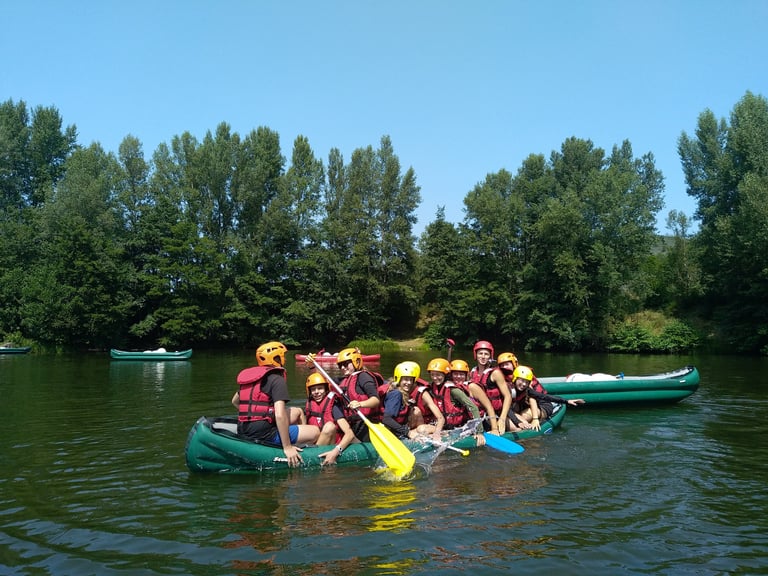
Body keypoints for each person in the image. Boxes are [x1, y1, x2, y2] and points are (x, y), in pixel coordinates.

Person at [231, 341, 319, 467]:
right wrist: (287, 447)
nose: (284, 359)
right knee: (315, 431)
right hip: (264, 433)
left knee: (298, 411)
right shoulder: (277, 379)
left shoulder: (253, 378)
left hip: (243, 428)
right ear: (277, 358)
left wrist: (256, 415)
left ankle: (297, 442)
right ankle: (297, 448)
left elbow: (235, 401)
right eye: (283, 356)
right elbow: (279, 415)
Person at [508, 365, 586, 431]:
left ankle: (530, 427)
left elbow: (545, 397)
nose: (524, 384)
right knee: (516, 413)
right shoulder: (508, 389)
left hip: (543, 406)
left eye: (526, 382)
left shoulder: (528, 390)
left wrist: (566, 401)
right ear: (515, 378)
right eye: (521, 380)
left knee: (524, 416)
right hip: (525, 408)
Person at [303, 372, 357, 466]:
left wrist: (336, 451)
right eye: (313, 389)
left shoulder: (334, 406)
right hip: (316, 441)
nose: (316, 392)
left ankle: (311, 456)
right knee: (297, 412)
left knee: (329, 427)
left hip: (333, 443)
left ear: (326, 389)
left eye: (320, 388)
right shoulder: (310, 404)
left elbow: (350, 434)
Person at [336, 347, 382, 442]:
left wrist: (360, 404)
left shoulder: (364, 377)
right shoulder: (345, 379)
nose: (343, 368)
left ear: (355, 361)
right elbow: (325, 380)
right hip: (353, 424)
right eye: (340, 365)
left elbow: (375, 399)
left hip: (367, 424)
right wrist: (312, 366)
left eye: (345, 364)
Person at [450, 358, 499, 436]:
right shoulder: (450, 389)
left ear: (466, 375)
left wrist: (494, 429)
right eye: (455, 374)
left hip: (482, 422)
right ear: (451, 375)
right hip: (465, 423)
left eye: (461, 374)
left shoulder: (472, 387)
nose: (458, 377)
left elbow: (489, 407)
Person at [481, 351, 518, 434]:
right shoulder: (474, 373)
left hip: (509, 409)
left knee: (520, 426)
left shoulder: (522, 377)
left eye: (507, 364)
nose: (504, 367)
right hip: (495, 412)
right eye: (502, 365)